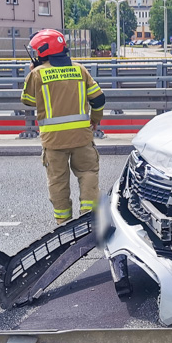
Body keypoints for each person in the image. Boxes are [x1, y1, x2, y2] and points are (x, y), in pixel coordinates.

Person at [21, 29, 105, 225]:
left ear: (43, 51)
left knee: (58, 182)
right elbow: (99, 98)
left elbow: (27, 101)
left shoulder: (37, 74)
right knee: (88, 173)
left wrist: (32, 72)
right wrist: (96, 119)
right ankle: (88, 218)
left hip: (54, 141)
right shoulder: (79, 70)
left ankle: (64, 225)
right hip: (82, 137)